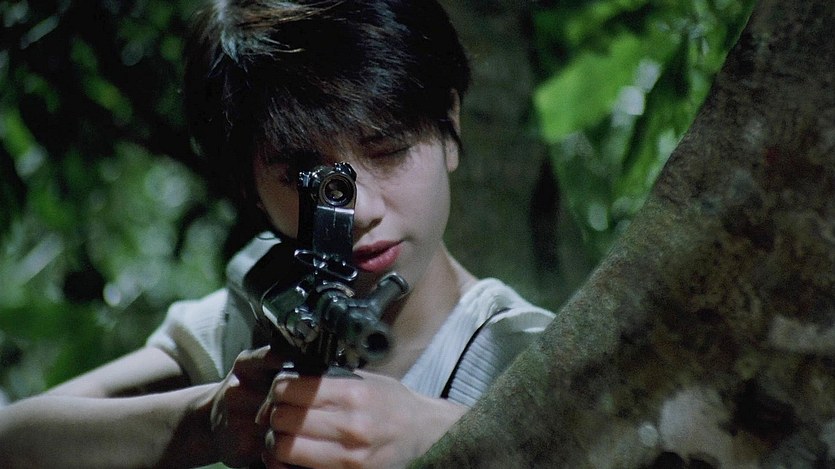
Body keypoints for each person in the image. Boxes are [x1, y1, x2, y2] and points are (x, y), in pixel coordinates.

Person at [0, 1, 555, 467]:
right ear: (251, 186)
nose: (359, 210)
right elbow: (15, 440)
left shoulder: (527, 354)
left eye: (388, 150)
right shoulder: (254, 319)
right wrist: (205, 421)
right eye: (303, 178)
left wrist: (440, 432)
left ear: (449, 128)